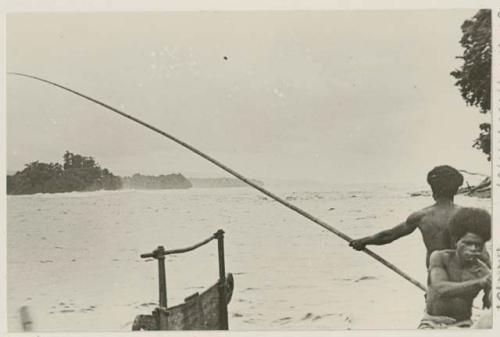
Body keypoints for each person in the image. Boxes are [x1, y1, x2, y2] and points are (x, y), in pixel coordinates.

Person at [349, 165, 466, 268]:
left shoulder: (421, 216)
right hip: (465, 279)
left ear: (432, 189)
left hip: (437, 278)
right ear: (456, 189)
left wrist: (363, 241)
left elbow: (389, 235)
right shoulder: (467, 215)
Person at [418, 207, 491, 329]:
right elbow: (439, 288)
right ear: (456, 241)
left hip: (463, 325)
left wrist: (491, 288)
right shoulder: (440, 257)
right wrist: (480, 283)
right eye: (468, 243)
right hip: (432, 323)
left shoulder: (482, 271)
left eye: (478, 245)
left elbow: (491, 303)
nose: (473, 249)